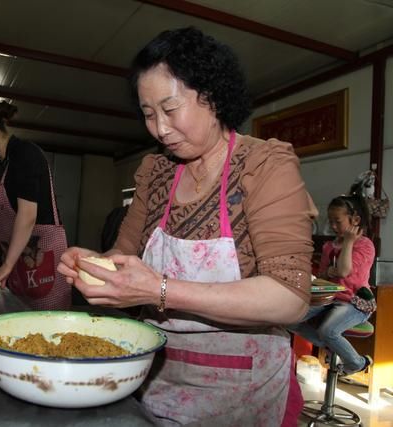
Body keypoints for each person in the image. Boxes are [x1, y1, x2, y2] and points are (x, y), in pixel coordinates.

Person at [57, 27, 317, 426]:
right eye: (148, 114)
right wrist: (94, 266)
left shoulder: (265, 166)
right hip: (158, 376)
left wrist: (161, 290)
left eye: (170, 109)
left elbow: (289, 298)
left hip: (243, 388)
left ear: (211, 97)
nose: (159, 129)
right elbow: (124, 257)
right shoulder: (155, 173)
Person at [0, 101, 70, 310]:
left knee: (48, 325)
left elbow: (27, 217)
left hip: (44, 255)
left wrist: (6, 265)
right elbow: (4, 227)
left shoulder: (25, 154)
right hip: (19, 260)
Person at [289, 194, 376, 376]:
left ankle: (357, 363)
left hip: (354, 302)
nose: (334, 227)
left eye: (338, 221)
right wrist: (326, 273)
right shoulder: (329, 246)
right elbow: (322, 275)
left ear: (355, 220)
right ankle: (329, 344)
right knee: (288, 318)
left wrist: (348, 242)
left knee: (328, 330)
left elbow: (344, 271)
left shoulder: (365, 245)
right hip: (329, 299)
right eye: (331, 222)